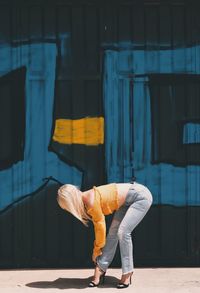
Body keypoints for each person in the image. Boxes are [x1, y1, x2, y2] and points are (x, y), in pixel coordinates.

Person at [57, 181, 153, 289]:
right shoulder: (87, 200)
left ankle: (127, 272)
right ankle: (101, 268)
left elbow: (100, 229)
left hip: (140, 196)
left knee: (123, 232)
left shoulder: (90, 200)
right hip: (125, 202)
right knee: (113, 233)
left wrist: (96, 251)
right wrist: (97, 251)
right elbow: (100, 230)